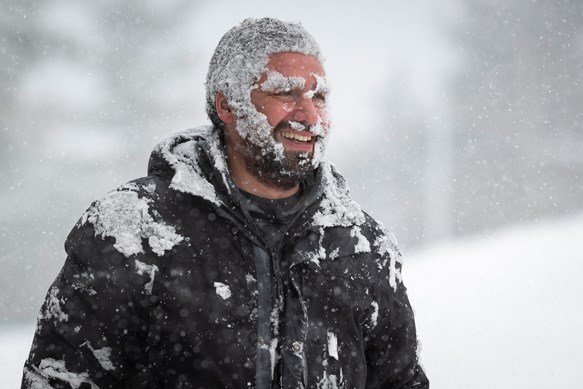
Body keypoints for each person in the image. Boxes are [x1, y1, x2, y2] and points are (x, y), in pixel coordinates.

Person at [22, 18, 429, 388]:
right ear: (226, 106)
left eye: (319, 97)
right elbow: (59, 379)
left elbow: (402, 382)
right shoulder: (136, 227)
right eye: (285, 92)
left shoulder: (361, 245)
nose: (310, 116)